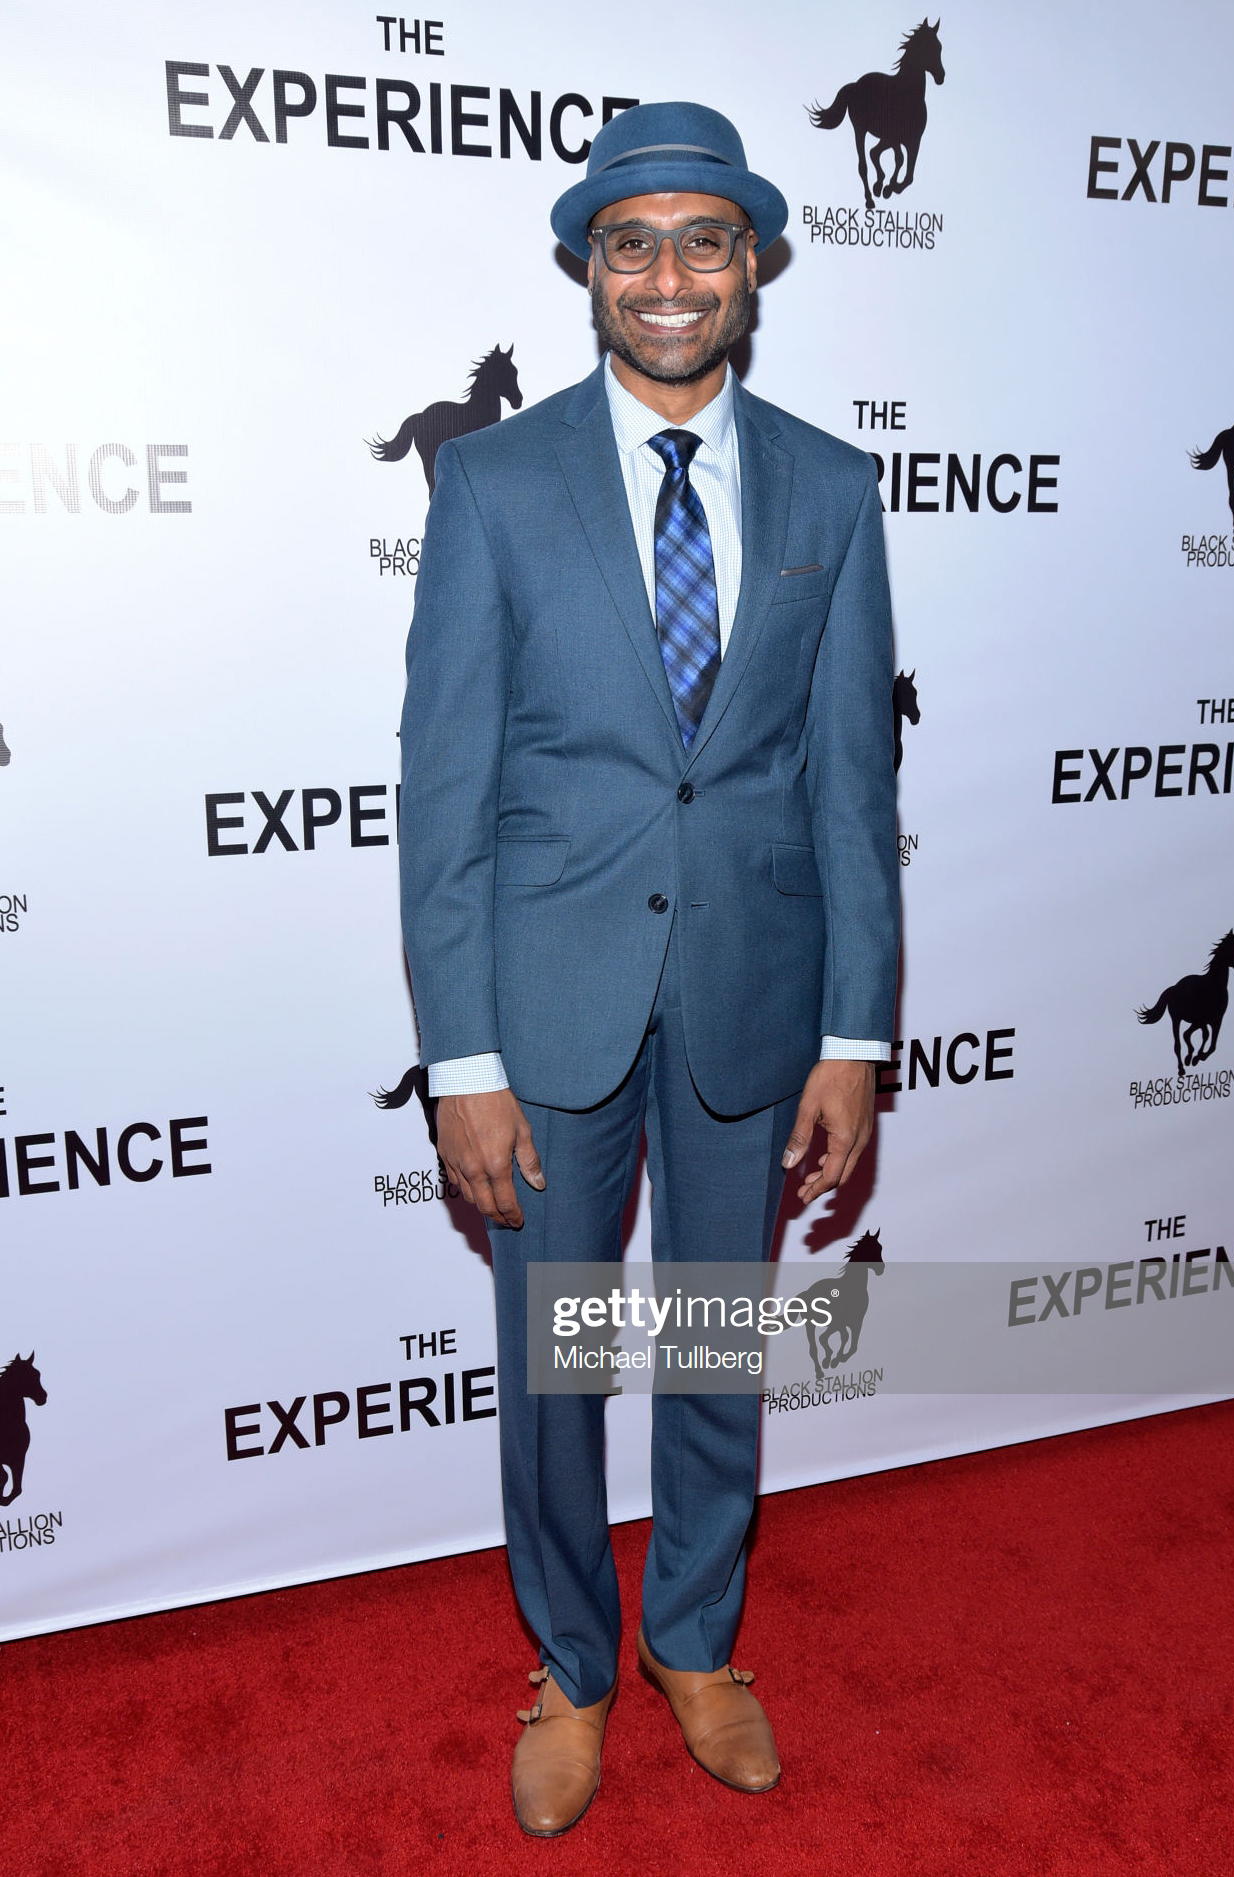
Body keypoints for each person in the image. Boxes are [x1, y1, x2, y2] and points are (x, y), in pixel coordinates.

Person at [399, 99, 899, 1836]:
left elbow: (852, 780)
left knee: (709, 1335)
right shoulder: (493, 478)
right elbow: (442, 789)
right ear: (587, 272)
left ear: (752, 263)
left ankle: (695, 1633)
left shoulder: (833, 484)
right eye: (633, 243)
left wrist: (857, 1028)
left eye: (704, 240)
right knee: (557, 1352)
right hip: (549, 1000)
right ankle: (575, 1660)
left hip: (761, 995)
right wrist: (461, 1059)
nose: (670, 275)